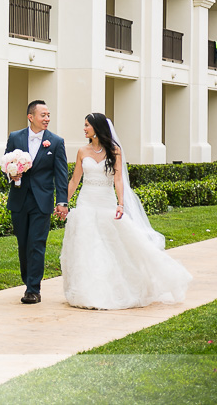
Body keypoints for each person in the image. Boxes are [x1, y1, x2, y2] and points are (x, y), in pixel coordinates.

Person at [60, 113, 192, 310]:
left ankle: (118, 288)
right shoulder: (82, 151)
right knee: (86, 245)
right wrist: (64, 202)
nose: (84, 128)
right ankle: (87, 291)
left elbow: (118, 179)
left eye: (87, 125)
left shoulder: (115, 151)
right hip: (86, 201)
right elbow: (74, 180)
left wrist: (120, 204)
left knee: (111, 244)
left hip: (106, 201)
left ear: (97, 128)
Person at [4, 100, 68, 304]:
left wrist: (62, 202)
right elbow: (6, 164)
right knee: (23, 244)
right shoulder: (15, 137)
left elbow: (61, 174)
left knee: (37, 244)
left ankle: (33, 289)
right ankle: (28, 281)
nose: (47, 118)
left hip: (42, 201)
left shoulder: (56, 142)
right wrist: (11, 175)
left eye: (48, 115)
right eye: (43, 115)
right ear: (30, 117)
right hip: (19, 199)